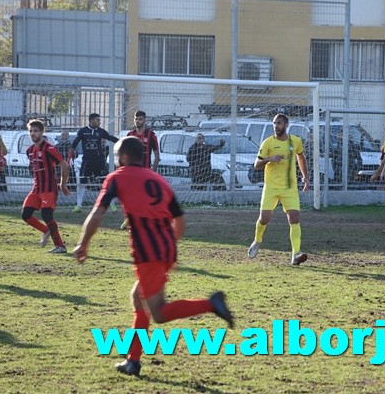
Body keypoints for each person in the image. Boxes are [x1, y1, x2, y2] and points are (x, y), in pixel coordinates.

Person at [72, 136, 234, 376]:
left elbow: (97, 213)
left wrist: (83, 244)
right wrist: (169, 247)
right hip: (164, 248)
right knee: (139, 299)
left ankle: (211, 304)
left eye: (116, 157)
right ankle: (133, 361)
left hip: (148, 253)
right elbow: (179, 219)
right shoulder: (159, 180)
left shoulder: (117, 177)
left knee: (157, 312)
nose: (116, 162)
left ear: (125, 157)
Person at [247, 114, 310, 265]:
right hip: (271, 187)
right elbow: (257, 164)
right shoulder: (268, 143)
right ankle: (257, 241)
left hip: (289, 188)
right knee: (264, 218)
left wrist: (305, 177)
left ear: (286, 125)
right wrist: (270, 159)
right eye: (274, 123)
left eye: (279, 123)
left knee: (294, 217)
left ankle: (296, 254)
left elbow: (300, 157)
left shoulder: (295, 141)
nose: (276, 126)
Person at [21, 119, 70, 253]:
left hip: (49, 188)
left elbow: (65, 166)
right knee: (25, 215)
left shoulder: (49, 149)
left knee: (46, 214)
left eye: (35, 131)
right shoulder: (29, 150)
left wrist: (63, 184)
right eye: (30, 131)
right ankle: (47, 230)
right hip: (36, 189)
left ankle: (60, 246)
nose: (32, 134)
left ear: (42, 132)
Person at [68, 113, 119, 212]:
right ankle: (78, 206)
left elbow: (111, 138)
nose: (99, 122)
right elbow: (74, 143)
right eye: (97, 120)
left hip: (99, 161)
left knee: (105, 183)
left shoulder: (101, 132)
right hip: (87, 161)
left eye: (99, 120)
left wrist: (122, 141)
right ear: (91, 121)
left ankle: (112, 205)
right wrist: (70, 154)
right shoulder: (83, 131)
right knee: (82, 182)